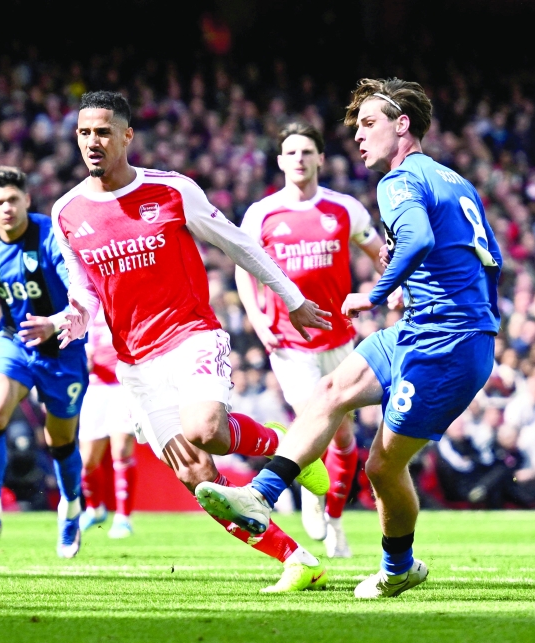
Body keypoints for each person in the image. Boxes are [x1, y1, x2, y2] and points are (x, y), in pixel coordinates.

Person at [194, 78, 503, 599]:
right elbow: (479, 254)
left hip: (448, 344)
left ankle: (398, 566)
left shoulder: (397, 180)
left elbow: (422, 239)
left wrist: (378, 293)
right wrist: (414, 289)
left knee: (382, 466)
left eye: (368, 123)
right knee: (331, 393)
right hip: (421, 328)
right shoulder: (452, 179)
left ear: (402, 125)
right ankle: (261, 495)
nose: (357, 137)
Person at [53, 90, 334, 593]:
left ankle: (288, 449)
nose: (92, 142)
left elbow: (238, 243)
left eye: (102, 132)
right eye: (83, 133)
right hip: (134, 363)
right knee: (200, 478)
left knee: (205, 429)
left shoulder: (172, 191)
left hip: (190, 336)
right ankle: (296, 558)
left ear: (126, 136)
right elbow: (85, 292)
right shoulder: (67, 212)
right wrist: (67, 320)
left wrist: (289, 297)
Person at [236, 121, 386, 558]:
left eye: (307, 152)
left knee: (343, 441)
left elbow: (378, 253)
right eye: (291, 153)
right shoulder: (262, 214)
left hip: (339, 340)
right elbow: (245, 268)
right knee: (312, 419)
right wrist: (258, 319)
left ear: (321, 158)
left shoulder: (344, 209)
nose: (299, 159)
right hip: (289, 343)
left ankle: (335, 517)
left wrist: (396, 287)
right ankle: (308, 495)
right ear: (280, 161)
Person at [0, 166, 89, 558]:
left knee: (58, 440)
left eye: (13, 199)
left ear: (27, 200)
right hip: (15, 343)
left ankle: (71, 507)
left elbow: (79, 291)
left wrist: (57, 322)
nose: (7, 207)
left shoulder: (50, 238)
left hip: (63, 346)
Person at [78, 306, 138, 539]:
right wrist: (83, 358)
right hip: (96, 386)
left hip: (124, 385)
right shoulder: (86, 298)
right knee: (87, 460)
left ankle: (124, 518)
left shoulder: (126, 294)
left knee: (121, 448)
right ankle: (95, 508)